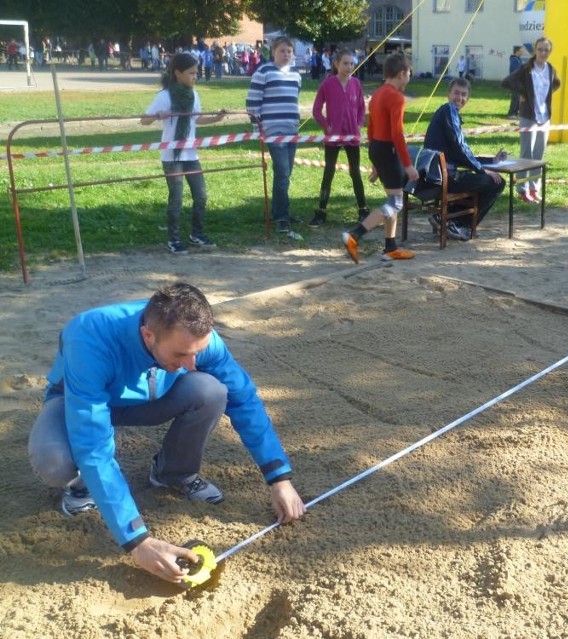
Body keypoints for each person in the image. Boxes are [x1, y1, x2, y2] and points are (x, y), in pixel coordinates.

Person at [28, 282, 307, 584]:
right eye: (181, 354)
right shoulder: (89, 338)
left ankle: (172, 472)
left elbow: (245, 399)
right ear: (149, 336)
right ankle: (80, 485)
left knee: (210, 388)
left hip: (151, 398)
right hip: (79, 400)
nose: (191, 364)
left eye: (197, 354)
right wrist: (138, 541)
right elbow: (93, 444)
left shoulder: (198, 342)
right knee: (53, 460)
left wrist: (278, 477)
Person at [141, 53, 223, 254]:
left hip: (190, 154)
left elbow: (196, 120)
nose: (195, 77)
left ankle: (197, 234)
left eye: (197, 73)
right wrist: (157, 116)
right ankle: (174, 239)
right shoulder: (164, 96)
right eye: (191, 73)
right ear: (178, 74)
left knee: (201, 196)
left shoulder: (194, 95)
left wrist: (215, 119)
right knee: (176, 198)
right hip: (171, 156)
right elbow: (144, 120)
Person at [341, 52, 418, 264]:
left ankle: (390, 247)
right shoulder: (395, 96)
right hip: (388, 150)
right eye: (409, 74)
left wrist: (375, 162)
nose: (409, 77)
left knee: (392, 199)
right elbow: (397, 134)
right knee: (395, 203)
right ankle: (354, 235)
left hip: (377, 147)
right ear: (402, 74)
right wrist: (408, 165)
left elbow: (371, 127)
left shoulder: (377, 94)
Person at [423, 77, 506, 241]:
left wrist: (490, 161)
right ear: (448, 94)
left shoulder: (449, 113)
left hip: (439, 174)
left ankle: (446, 219)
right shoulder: (448, 111)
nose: (459, 98)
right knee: (497, 182)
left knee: (481, 179)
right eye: (456, 93)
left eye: (463, 95)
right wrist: (483, 170)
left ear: (467, 99)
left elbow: (458, 153)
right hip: (442, 177)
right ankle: (458, 224)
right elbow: (460, 149)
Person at [246, 36, 304, 240]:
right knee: (282, 173)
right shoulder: (263, 72)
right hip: (272, 131)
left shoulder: (296, 74)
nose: (286, 54)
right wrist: (258, 129)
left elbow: (294, 98)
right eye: (282, 50)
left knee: (285, 175)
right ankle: (281, 217)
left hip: (291, 130)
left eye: (289, 51)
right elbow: (252, 103)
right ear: (273, 52)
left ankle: (281, 211)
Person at [310, 48, 369, 227]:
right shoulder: (327, 84)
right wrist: (327, 127)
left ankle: (363, 209)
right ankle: (321, 211)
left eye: (352, 63)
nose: (349, 67)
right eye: (345, 63)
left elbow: (361, 108)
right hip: (333, 137)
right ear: (336, 64)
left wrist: (358, 125)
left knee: (355, 172)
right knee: (328, 172)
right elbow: (316, 110)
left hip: (352, 136)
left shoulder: (356, 84)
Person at [500, 36, 561, 203]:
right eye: (540, 49)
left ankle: (534, 188)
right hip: (528, 116)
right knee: (526, 154)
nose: (543, 52)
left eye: (546, 50)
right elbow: (507, 82)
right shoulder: (526, 68)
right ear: (535, 50)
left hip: (544, 117)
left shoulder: (550, 69)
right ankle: (522, 189)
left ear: (550, 52)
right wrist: (523, 93)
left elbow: (556, 84)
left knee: (538, 155)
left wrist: (544, 96)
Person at [506, 46, 523, 119]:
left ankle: (516, 113)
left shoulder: (518, 60)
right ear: (517, 51)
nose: (522, 52)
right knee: (515, 98)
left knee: (519, 98)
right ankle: (511, 113)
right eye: (521, 51)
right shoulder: (514, 60)